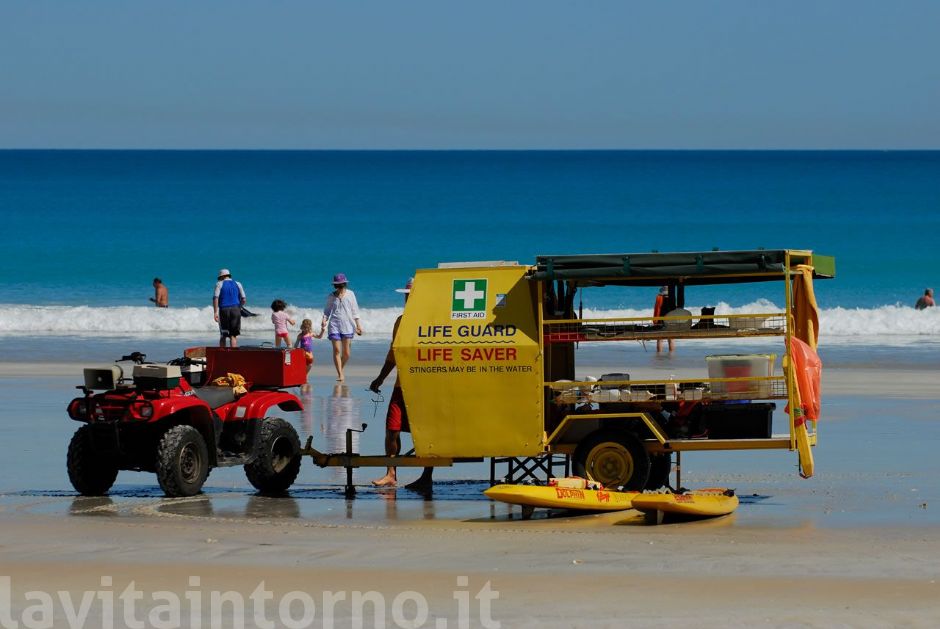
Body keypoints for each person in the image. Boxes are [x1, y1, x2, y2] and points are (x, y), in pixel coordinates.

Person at [370, 278, 433, 491]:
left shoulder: (431, 321)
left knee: (425, 434)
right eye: (406, 295)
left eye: (411, 295)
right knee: (392, 430)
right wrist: (380, 379)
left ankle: (426, 476)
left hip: (424, 387)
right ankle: (391, 474)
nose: (407, 298)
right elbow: (393, 354)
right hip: (401, 385)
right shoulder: (400, 321)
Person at [320, 273, 362, 381]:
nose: (339, 287)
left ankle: (340, 369)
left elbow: (355, 311)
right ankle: (340, 374)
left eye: (341, 285)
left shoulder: (351, 294)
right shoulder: (331, 296)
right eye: (337, 285)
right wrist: (324, 320)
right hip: (334, 325)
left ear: (344, 284)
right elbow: (327, 311)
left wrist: (358, 325)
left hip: (347, 325)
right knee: (337, 350)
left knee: (347, 354)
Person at [212, 269, 246, 348]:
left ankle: (222, 354)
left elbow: (215, 298)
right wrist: (239, 307)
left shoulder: (219, 284)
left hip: (224, 310)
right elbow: (244, 299)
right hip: (236, 310)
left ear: (222, 277)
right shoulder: (238, 283)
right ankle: (233, 356)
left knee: (223, 335)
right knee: (233, 335)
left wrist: (215, 312)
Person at [653, 285, 675, 353]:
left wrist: (655, 321)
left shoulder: (659, 298)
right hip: (671, 320)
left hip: (661, 320)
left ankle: (659, 355)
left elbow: (656, 309)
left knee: (660, 339)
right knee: (671, 339)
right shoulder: (672, 298)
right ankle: (671, 355)